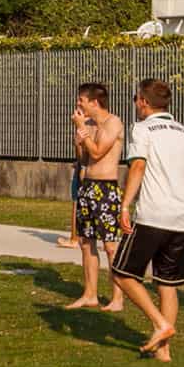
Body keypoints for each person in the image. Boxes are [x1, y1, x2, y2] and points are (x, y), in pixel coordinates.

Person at [111, 79, 184, 362]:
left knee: (122, 273)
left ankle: (160, 324)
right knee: (167, 284)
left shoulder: (142, 129)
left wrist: (125, 205)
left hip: (153, 215)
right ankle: (163, 351)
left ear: (143, 101)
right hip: (183, 219)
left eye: (136, 99)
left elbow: (138, 165)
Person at [65, 82, 127, 312]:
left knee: (110, 246)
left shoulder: (114, 122)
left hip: (106, 188)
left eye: (82, 100)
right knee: (86, 243)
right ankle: (90, 294)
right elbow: (84, 158)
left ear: (94, 102)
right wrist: (79, 138)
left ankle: (117, 298)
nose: (78, 104)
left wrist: (82, 129)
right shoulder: (87, 124)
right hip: (87, 185)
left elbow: (99, 151)